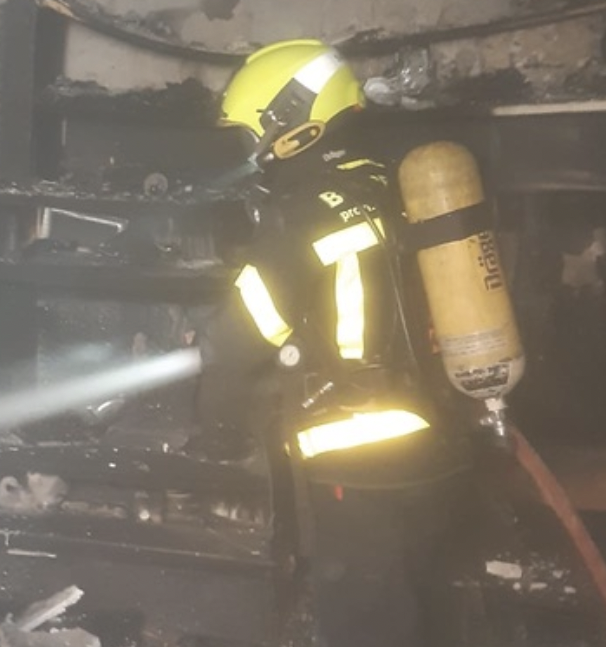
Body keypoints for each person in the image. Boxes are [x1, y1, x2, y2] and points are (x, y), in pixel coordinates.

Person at [199, 39, 476, 647]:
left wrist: (214, 425)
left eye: (250, 137)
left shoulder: (301, 218)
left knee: (365, 622)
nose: (250, 155)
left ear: (292, 130)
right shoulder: (390, 182)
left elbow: (235, 341)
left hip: (361, 455)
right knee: (417, 603)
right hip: (439, 440)